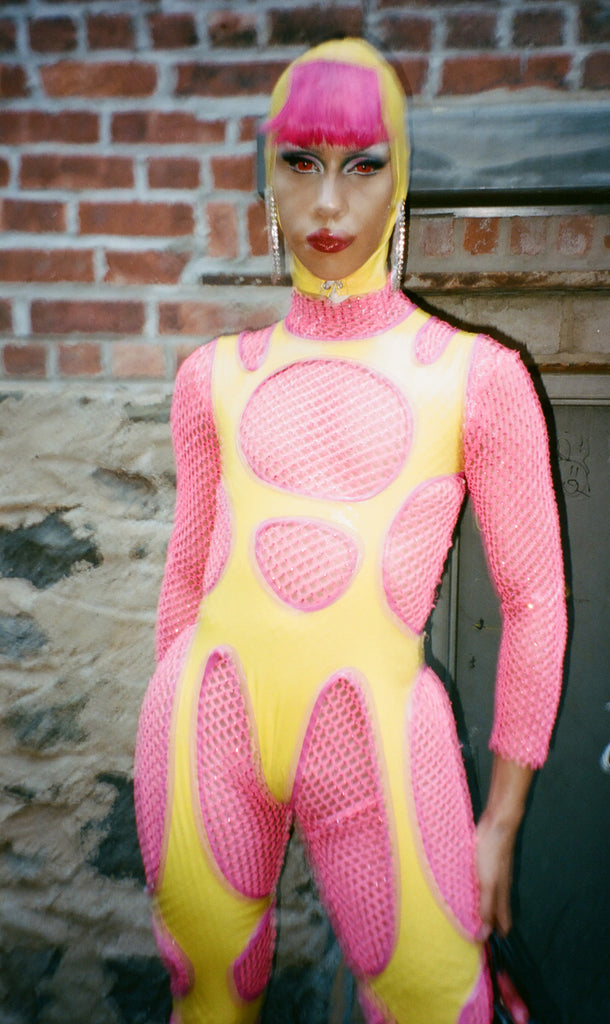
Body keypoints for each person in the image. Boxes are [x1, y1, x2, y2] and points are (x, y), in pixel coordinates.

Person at [134, 37, 567, 1024]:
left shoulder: (478, 377)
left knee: (432, 1004)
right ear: (267, 179)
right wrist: (173, 751)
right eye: (299, 163)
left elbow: (534, 599)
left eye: (361, 166)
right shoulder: (213, 377)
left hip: (375, 746)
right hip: (205, 729)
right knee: (204, 998)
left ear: (397, 179)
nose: (328, 206)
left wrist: (498, 822)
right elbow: (185, 576)